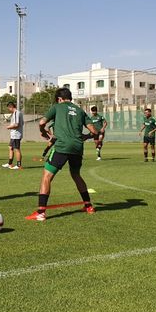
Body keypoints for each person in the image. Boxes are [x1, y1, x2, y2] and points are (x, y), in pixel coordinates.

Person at [26, 87, 99, 221]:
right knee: (76, 175)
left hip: (62, 146)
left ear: (59, 99)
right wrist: (85, 137)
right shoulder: (80, 110)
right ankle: (88, 206)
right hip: (77, 148)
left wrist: (42, 131)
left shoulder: (57, 107)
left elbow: (42, 122)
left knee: (47, 176)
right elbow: (94, 131)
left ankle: (41, 212)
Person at [1, 102, 23, 170]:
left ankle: (19, 165)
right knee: (10, 147)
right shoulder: (15, 113)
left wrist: (9, 127)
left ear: (11, 107)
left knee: (17, 149)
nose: (8, 109)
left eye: (8, 108)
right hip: (14, 135)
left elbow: (16, 125)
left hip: (16, 134)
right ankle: (10, 164)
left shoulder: (17, 113)